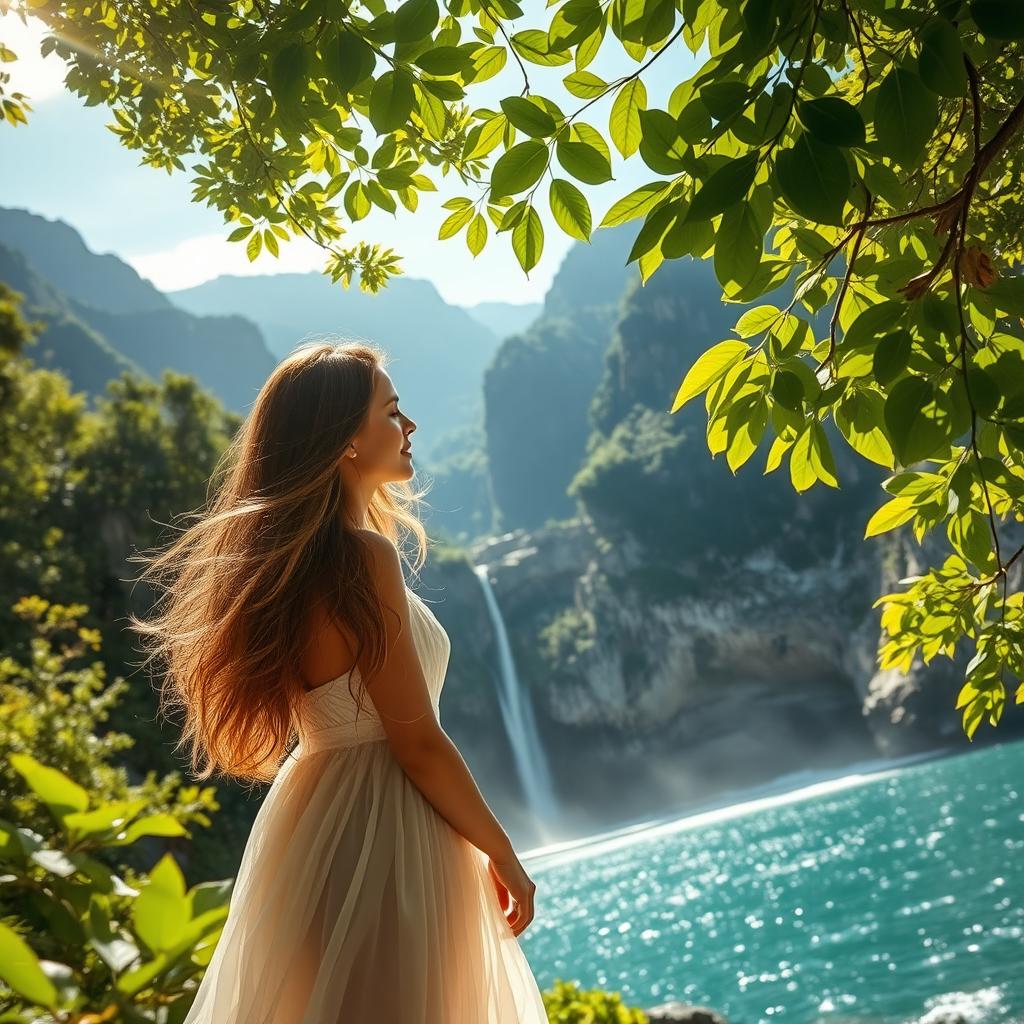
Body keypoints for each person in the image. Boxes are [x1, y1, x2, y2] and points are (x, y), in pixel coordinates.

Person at [129, 340, 549, 1023]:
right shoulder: (362, 558)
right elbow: (416, 743)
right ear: (346, 439)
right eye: (391, 411)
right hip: (388, 832)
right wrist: (503, 851)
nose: (409, 426)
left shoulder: (291, 568)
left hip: (317, 831)